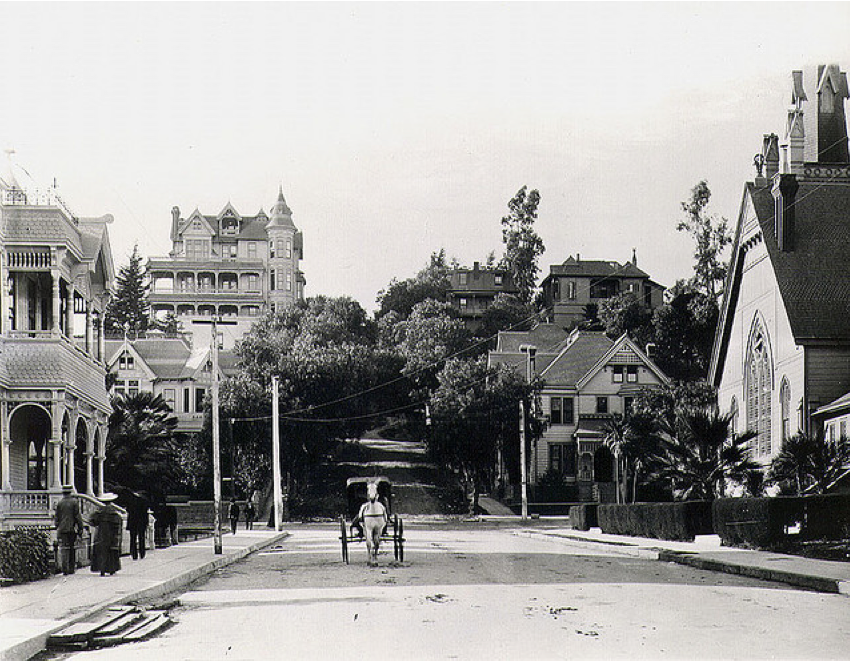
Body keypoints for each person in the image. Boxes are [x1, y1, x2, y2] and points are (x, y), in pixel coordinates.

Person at [89, 493, 122, 576]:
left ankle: (102, 569)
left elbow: (92, 521)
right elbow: (118, 524)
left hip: (101, 534)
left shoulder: (100, 512)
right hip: (112, 534)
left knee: (102, 551)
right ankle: (111, 569)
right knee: (111, 551)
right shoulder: (114, 513)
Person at [54, 484, 83, 575]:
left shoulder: (60, 503)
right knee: (71, 548)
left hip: (61, 529)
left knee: (64, 548)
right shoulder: (74, 502)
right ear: (70, 492)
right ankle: (71, 568)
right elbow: (77, 516)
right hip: (71, 529)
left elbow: (57, 517)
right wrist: (80, 527)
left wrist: (57, 526)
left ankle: (64, 568)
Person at [127, 493, 149, 560]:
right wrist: (146, 523)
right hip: (141, 522)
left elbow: (128, 511)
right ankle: (142, 553)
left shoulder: (131, 502)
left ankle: (134, 554)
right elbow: (146, 513)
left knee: (133, 539)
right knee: (141, 538)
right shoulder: (144, 502)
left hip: (133, 522)